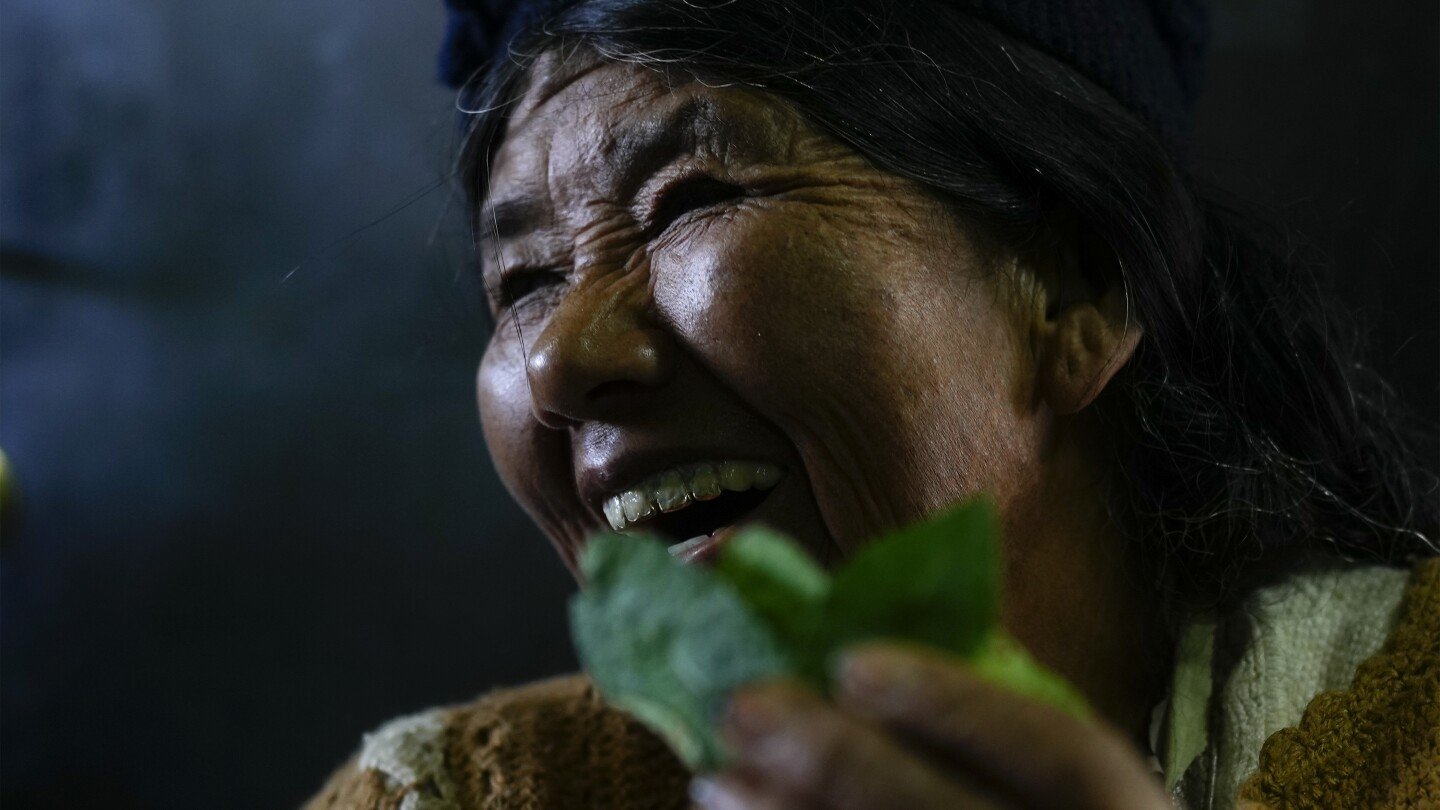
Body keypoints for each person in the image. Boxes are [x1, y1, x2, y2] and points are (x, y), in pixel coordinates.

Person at [306, 1, 1439, 807]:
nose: (556, 363)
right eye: (526, 280)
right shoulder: (454, 795)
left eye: (688, 197)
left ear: (1079, 285)